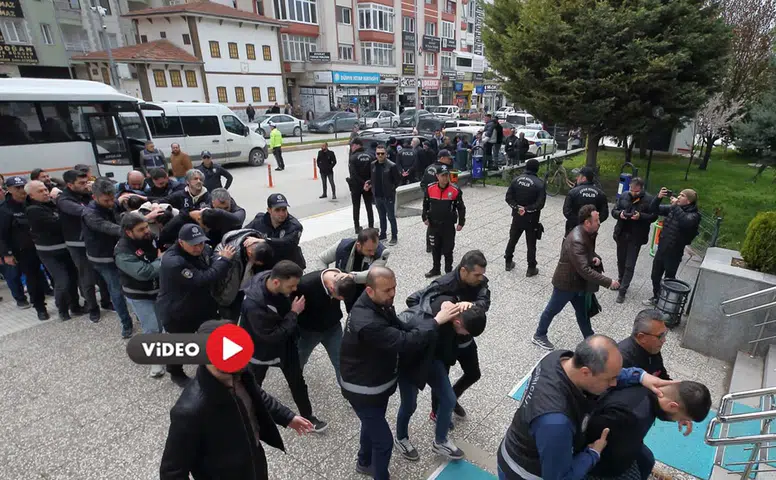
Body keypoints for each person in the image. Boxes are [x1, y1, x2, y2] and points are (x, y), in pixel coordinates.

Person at [497, 335, 678, 480]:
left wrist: (639, 376)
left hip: (520, 441)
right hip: (523, 471)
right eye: (610, 379)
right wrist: (592, 453)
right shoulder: (556, 422)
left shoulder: (559, 358)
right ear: (585, 372)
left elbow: (606, 373)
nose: (615, 383)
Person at [339, 267, 460, 479]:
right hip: (362, 391)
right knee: (384, 442)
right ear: (369, 291)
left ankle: (364, 461)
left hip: (375, 385)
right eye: (387, 290)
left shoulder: (376, 303)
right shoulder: (367, 322)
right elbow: (404, 342)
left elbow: (400, 326)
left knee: (371, 427)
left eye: (394, 287)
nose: (393, 294)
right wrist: (435, 321)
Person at [159, 319, 314, 480]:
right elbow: (172, 472)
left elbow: (257, 395)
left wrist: (287, 417)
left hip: (253, 460)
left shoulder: (240, 372)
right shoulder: (190, 411)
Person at [239, 260, 329, 433]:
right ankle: (245, 415)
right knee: (253, 384)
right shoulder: (254, 305)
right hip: (261, 350)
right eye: (291, 286)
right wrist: (294, 313)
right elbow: (271, 336)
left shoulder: (274, 282)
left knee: (297, 382)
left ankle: (308, 418)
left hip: (285, 348)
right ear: (276, 282)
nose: (295, 289)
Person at [394, 295, 487, 462]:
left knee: (449, 399)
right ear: (458, 323)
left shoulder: (454, 312)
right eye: (467, 332)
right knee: (409, 405)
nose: (467, 336)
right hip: (410, 363)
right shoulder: (428, 319)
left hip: (432, 360)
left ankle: (440, 441)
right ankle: (401, 437)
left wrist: (469, 303)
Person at [407, 250, 490, 419]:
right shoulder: (443, 284)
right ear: (463, 270)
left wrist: (469, 305)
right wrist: (438, 313)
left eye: (482, 275)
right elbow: (413, 300)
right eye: (477, 275)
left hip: (466, 338)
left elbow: (485, 302)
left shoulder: (480, 282)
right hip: (444, 343)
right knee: (441, 379)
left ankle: (452, 398)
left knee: (474, 373)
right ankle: (436, 411)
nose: (480, 278)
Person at [156, 224, 235, 386]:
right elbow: (202, 279)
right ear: (181, 242)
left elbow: (208, 258)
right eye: (194, 244)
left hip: (201, 305)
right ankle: (176, 373)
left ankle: (212, 365)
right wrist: (224, 260)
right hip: (178, 312)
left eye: (201, 243)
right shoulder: (174, 261)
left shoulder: (198, 250)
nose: (199, 247)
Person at [532, 205, 619, 351]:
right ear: (587, 223)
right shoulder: (577, 239)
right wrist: (609, 282)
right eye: (597, 220)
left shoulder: (586, 233)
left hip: (577, 283)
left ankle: (589, 338)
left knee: (582, 312)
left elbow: (586, 254)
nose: (599, 223)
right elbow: (584, 269)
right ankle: (539, 335)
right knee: (552, 309)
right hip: (566, 284)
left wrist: (595, 258)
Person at [585, 381, 710, 480]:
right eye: (682, 418)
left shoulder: (646, 384)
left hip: (622, 444)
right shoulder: (631, 416)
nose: (679, 421)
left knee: (647, 460)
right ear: (672, 406)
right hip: (598, 461)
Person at [82, 178, 135, 337]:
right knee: (117, 291)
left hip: (120, 252)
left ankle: (138, 315)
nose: (111, 202)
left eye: (113, 198)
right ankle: (126, 323)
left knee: (131, 286)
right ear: (94, 197)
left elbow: (119, 218)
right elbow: (109, 228)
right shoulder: (90, 213)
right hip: (103, 258)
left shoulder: (112, 205)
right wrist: (135, 227)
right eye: (107, 200)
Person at [25, 180, 84, 321]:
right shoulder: (33, 210)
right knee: (62, 281)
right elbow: (57, 224)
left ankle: (74, 305)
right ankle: (62, 309)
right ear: (31, 195)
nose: (45, 193)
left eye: (45, 189)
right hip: (49, 253)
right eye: (40, 191)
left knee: (73, 278)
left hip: (65, 248)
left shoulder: (51, 205)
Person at [114, 213, 165, 378]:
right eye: (141, 229)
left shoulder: (150, 237)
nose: (147, 230)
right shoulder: (122, 251)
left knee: (165, 324)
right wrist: (161, 260)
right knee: (152, 328)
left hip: (159, 290)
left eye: (146, 226)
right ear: (129, 232)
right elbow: (144, 272)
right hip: (140, 295)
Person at [57, 169, 111, 322]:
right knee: (87, 278)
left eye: (86, 182)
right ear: (70, 184)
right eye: (81, 183)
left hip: (95, 242)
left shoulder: (87, 195)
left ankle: (106, 302)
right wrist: (98, 202)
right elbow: (84, 211)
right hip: (78, 245)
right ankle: (93, 307)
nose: (85, 185)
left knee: (102, 275)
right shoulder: (64, 200)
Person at [0, 176, 50, 320]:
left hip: (44, 245)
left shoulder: (32, 202)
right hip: (24, 250)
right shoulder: (5, 209)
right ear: (9, 189)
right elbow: (1, 235)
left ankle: (65, 302)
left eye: (23, 186)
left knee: (52, 274)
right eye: (17, 188)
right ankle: (40, 307)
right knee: (33, 278)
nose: (22, 190)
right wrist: (6, 254)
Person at [293, 268, 356, 383]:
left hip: (333, 329)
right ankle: (295, 382)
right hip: (308, 332)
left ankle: (348, 390)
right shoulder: (304, 285)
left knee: (340, 361)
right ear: (332, 288)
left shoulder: (342, 279)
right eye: (339, 299)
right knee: (299, 359)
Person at [643, 188, 701, 307]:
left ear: (689, 201)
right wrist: (658, 197)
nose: (678, 197)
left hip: (674, 252)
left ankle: (666, 302)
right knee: (655, 275)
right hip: (662, 249)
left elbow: (685, 222)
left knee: (669, 279)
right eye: (679, 194)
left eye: (682, 195)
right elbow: (653, 209)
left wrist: (675, 206)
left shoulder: (694, 215)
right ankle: (656, 297)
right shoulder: (673, 208)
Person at [317, 228, 390, 312]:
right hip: (347, 291)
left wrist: (351, 276)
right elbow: (322, 259)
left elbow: (371, 274)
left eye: (375, 249)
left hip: (367, 293)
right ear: (359, 245)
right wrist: (327, 278)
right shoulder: (342, 245)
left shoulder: (383, 253)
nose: (373, 253)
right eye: (369, 250)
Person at [611, 177, 658, 303]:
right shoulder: (624, 195)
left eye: (636, 191)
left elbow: (653, 217)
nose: (633, 193)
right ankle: (621, 280)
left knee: (629, 264)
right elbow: (614, 211)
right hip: (621, 234)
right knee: (621, 260)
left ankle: (623, 291)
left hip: (636, 237)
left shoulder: (649, 200)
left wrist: (640, 216)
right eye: (631, 189)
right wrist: (619, 214)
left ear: (641, 189)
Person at [504, 159, 546, 276]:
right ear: (537, 169)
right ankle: (531, 268)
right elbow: (540, 204)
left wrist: (518, 208)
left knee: (512, 239)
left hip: (517, 216)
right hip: (531, 219)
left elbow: (508, 197)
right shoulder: (539, 183)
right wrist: (527, 209)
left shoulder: (516, 180)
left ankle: (508, 261)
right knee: (531, 243)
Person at [423, 165, 466, 278]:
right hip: (434, 224)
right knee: (435, 248)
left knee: (448, 249)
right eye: (442, 175)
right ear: (437, 176)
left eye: (447, 175)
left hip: (448, 225)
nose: (445, 178)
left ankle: (448, 271)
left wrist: (461, 222)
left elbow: (461, 207)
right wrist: (424, 217)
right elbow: (425, 204)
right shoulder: (430, 188)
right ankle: (436, 269)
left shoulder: (455, 190)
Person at [245, 194, 305, 269]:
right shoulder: (259, 221)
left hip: (287, 266)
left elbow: (287, 242)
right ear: (269, 210)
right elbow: (244, 233)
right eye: (277, 210)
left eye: (284, 209)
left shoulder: (294, 225)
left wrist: (264, 241)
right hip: (264, 265)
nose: (282, 213)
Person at [619, 309, 671, 380]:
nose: (664, 340)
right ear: (642, 337)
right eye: (660, 336)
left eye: (665, 334)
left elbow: (662, 376)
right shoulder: (621, 361)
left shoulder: (652, 348)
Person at [563, 166, 609, 235]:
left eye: (579, 176)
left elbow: (566, 211)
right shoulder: (600, 194)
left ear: (584, 178)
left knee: (570, 245)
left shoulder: (573, 192)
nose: (577, 178)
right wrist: (593, 222)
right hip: (591, 231)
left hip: (573, 228)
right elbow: (604, 213)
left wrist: (578, 222)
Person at [371, 143, 401, 245]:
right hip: (378, 196)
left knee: (391, 217)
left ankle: (394, 236)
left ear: (386, 154)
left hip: (388, 196)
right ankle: (383, 234)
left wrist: (391, 190)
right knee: (381, 216)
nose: (380, 155)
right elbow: (373, 178)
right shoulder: (373, 165)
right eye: (378, 153)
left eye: (382, 153)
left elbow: (397, 180)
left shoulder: (391, 166)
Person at [348, 138, 375, 234]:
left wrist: (362, 183)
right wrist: (368, 183)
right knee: (369, 206)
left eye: (352, 145)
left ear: (357, 145)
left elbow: (353, 174)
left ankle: (356, 227)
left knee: (356, 207)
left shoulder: (353, 157)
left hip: (356, 186)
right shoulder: (370, 156)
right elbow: (373, 172)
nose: (351, 147)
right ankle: (371, 226)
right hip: (368, 186)